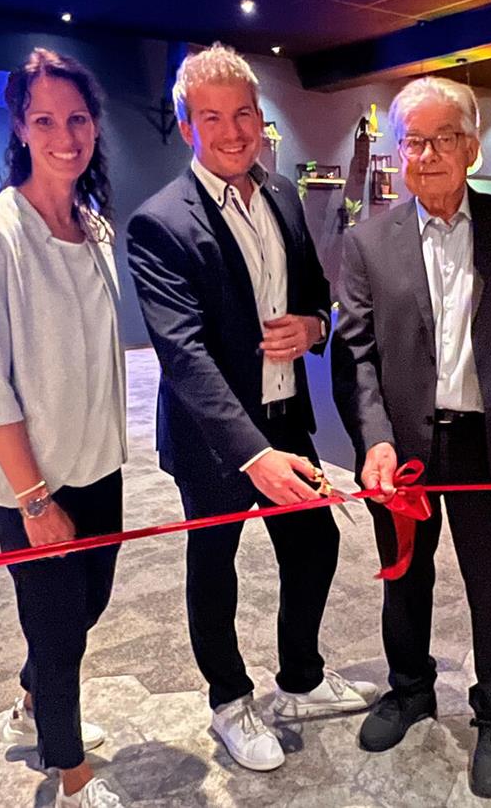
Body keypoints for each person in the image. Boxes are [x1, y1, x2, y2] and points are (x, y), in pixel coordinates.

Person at [126, 43, 377, 773]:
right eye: (213, 118)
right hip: (215, 439)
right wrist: (252, 454)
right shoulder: (159, 223)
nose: (233, 131)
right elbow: (183, 354)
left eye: (244, 114)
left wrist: (315, 326)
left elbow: (315, 297)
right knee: (216, 561)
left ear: (259, 118)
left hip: (285, 417)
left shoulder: (284, 197)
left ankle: (298, 678)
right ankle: (229, 698)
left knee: (314, 545)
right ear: (186, 126)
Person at [332, 76, 491, 799]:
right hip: (401, 449)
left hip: (489, 446)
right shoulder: (367, 240)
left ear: (469, 145)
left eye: (441, 139)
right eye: (413, 141)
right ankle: (409, 688)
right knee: (405, 578)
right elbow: (357, 354)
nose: (426, 155)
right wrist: (371, 439)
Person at [0, 48, 127, 808]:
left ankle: (30, 695)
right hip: (33, 484)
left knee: (86, 609)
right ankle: (72, 770)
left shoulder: (95, 227)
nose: (66, 135)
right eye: (46, 119)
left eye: (78, 118)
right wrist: (32, 499)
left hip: (100, 468)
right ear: (21, 128)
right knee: (60, 634)